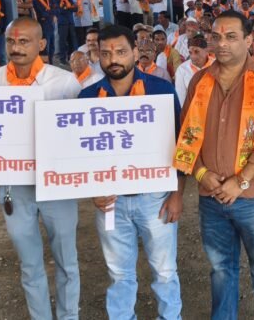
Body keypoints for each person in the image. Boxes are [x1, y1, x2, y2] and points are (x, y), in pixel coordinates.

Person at [176, 10, 254, 320]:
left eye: (231, 37)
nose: (221, 44)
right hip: (210, 194)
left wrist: (241, 181)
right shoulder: (200, 80)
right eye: (216, 37)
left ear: (249, 40)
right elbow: (186, 134)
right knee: (220, 268)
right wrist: (201, 173)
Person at [0, 17, 82, 320]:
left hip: (57, 186)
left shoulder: (64, 82)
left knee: (67, 262)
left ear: (41, 44)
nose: (16, 48)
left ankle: (69, 316)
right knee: (30, 265)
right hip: (14, 187)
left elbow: (81, 136)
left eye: (24, 41)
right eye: (10, 41)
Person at [79, 25, 185, 319]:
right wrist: (92, 191)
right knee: (119, 274)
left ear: (135, 53)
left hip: (155, 197)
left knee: (165, 271)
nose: (113, 59)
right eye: (106, 53)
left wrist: (177, 194)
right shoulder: (87, 97)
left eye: (121, 52)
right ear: (97, 55)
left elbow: (180, 145)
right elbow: (81, 154)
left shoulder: (161, 90)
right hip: (110, 200)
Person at [174, 35, 212, 105]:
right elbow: (181, 96)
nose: (193, 56)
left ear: (206, 51)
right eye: (190, 53)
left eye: (197, 52)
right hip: (192, 109)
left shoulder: (216, 65)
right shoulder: (182, 69)